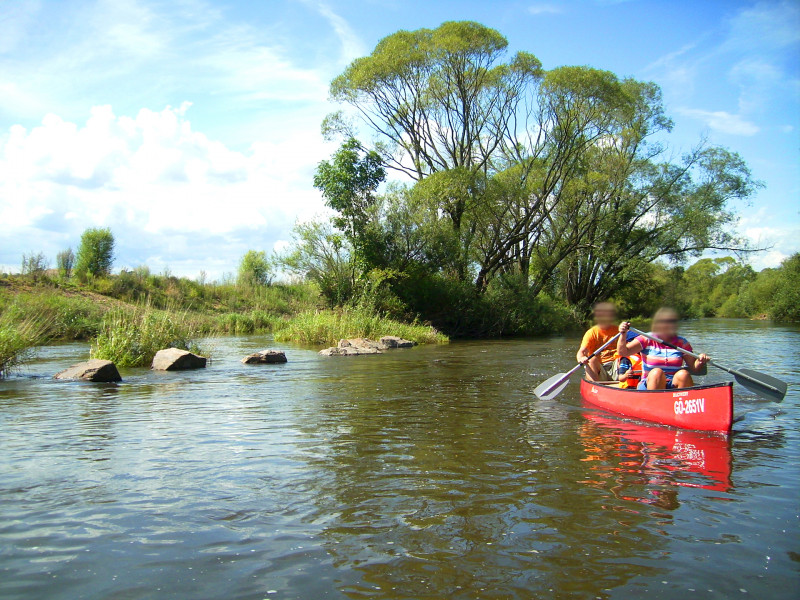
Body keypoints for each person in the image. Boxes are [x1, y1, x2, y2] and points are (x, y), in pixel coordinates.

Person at [617, 307, 709, 390]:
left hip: (672, 384)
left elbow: (694, 367)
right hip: (649, 383)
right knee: (657, 372)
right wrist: (623, 334)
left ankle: (683, 404)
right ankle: (654, 403)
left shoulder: (682, 342)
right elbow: (623, 352)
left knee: (683, 374)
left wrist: (700, 361)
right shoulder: (646, 338)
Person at [577, 301, 619, 382]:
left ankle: (626, 385)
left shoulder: (619, 331)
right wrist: (581, 358)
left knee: (625, 358)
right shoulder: (591, 333)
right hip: (599, 367)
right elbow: (582, 351)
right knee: (591, 360)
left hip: (616, 365)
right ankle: (595, 387)